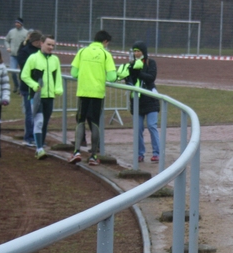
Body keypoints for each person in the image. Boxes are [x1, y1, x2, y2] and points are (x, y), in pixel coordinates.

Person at [68, 30, 117, 166]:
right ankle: (93, 156)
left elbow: (73, 73)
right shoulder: (106, 54)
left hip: (83, 91)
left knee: (80, 121)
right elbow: (112, 77)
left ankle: (76, 151)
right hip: (97, 93)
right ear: (105, 42)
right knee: (95, 122)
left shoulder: (82, 51)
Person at [21, 35, 63, 160]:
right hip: (36, 96)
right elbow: (24, 75)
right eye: (48, 44)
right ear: (41, 44)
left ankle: (40, 146)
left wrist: (58, 88)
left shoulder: (55, 59)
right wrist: (34, 85)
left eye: (53, 45)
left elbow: (58, 75)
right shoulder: (33, 58)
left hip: (49, 97)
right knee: (39, 121)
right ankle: (39, 149)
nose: (51, 47)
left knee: (44, 123)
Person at [118, 41, 160, 163]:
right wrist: (127, 76)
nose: (136, 53)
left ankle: (157, 153)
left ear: (144, 52)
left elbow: (151, 78)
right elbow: (130, 82)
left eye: (138, 51)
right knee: (138, 128)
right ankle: (140, 153)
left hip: (151, 100)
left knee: (152, 126)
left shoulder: (151, 63)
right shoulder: (131, 65)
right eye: (135, 51)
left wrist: (139, 73)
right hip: (137, 101)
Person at [17, 30, 43, 147]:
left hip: (39, 86)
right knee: (30, 113)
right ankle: (28, 137)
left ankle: (38, 137)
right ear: (35, 41)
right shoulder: (24, 51)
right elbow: (24, 68)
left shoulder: (41, 52)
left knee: (39, 114)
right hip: (27, 86)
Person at [4, 17, 27, 93]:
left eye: (18, 23)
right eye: (16, 22)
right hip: (13, 56)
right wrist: (8, 47)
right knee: (13, 72)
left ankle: (21, 87)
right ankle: (16, 85)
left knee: (23, 72)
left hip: (22, 56)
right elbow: (6, 40)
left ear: (21, 24)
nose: (16, 24)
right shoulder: (11, 32)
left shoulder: (26, 33)